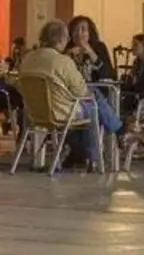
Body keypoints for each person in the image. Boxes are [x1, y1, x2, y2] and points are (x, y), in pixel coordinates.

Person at [20, 19, 123, 171]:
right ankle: (98, 154)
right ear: (63, 38)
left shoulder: (28, 58)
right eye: (72, 32)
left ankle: (80, 153)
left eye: (84, 30)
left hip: (34, 112)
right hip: (60, 111)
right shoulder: (62, 60)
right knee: (92, 103)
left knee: (89, 105)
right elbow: (82, 91)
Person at [67, 15, 115, 81]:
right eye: (75, 30)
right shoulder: (66, 48)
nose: (79, 33)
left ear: (89, 33)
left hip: (95, 88)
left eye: (83, 29)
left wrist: (91, 54)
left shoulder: (99, 47)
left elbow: (108, 75)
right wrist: (67, 55)